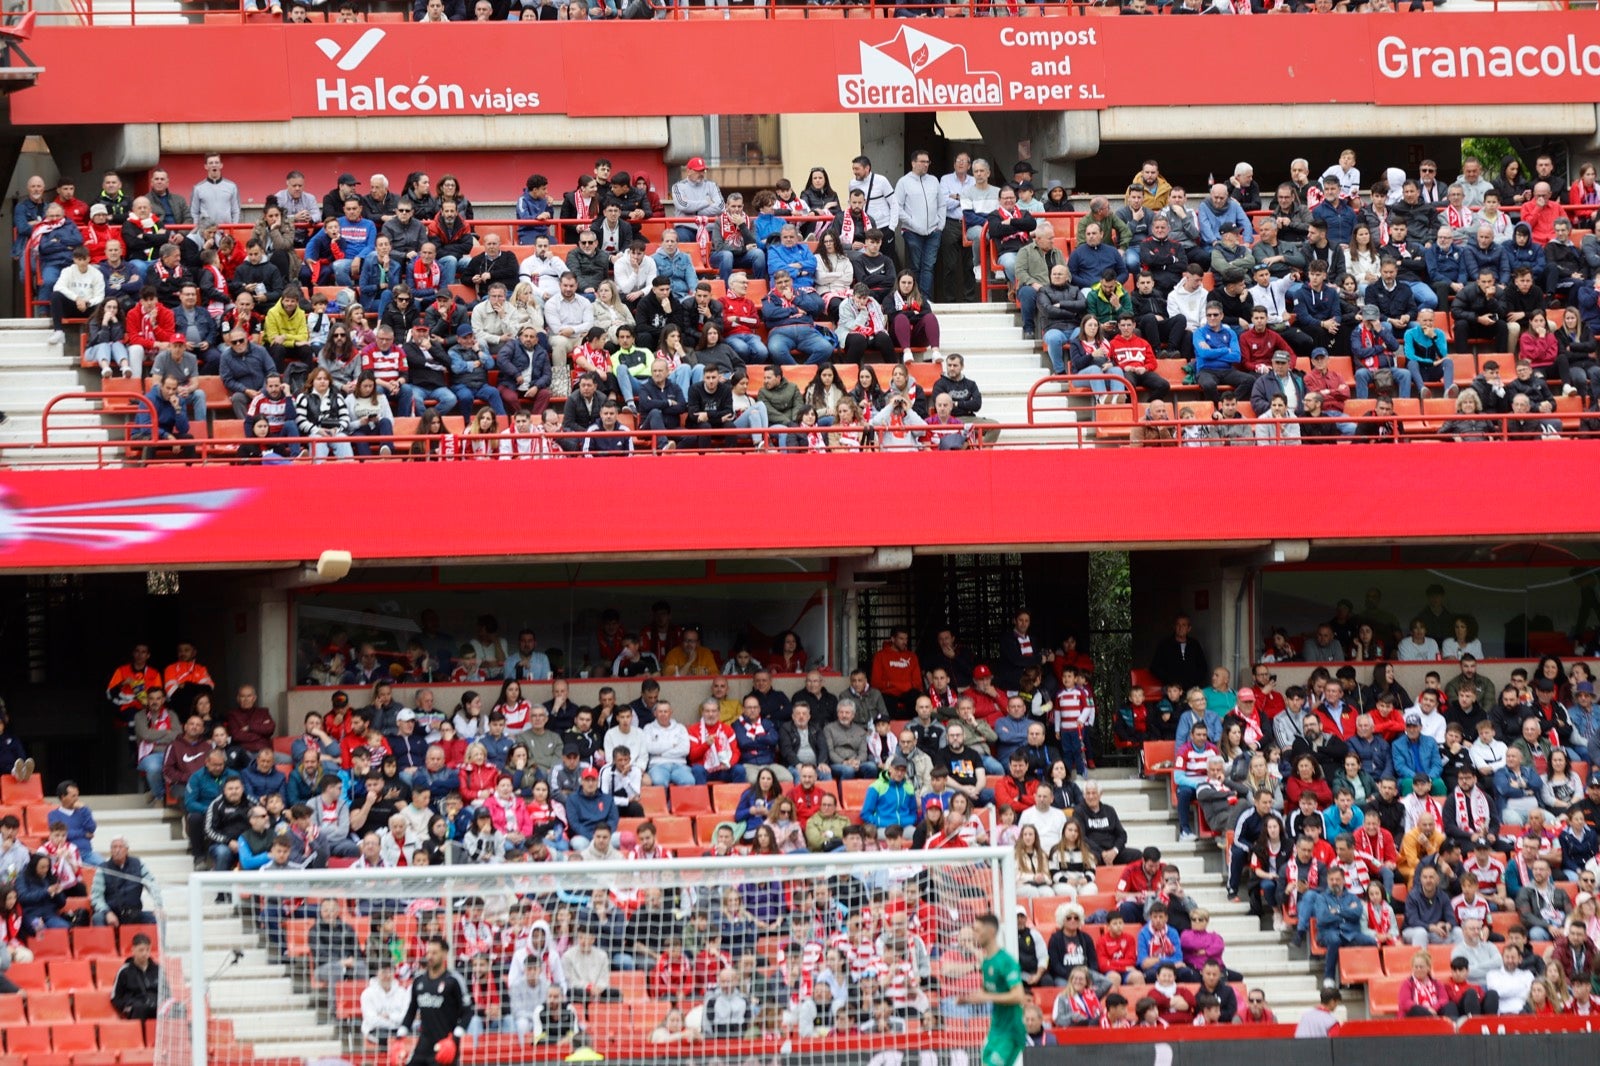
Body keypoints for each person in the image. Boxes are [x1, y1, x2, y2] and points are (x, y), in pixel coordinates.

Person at [962, 914, 1028, 1066]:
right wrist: (969, 998)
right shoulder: (986, 963)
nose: (974, 934)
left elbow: (1018, 996)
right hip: (996, 1028)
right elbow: (987, 993)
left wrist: (986, 997)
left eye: (977, 930)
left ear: (991, 932)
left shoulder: (1006, 961)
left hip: (1011, 1030)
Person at [396, 937, 472, 1066]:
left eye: (434, 953)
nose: (430, 956)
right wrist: (400, 1035)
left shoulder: (454, 980)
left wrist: (455, 1037)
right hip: (423, 1045)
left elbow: (467, 1012)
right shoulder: (419, 980)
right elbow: (411, 1010)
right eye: (428, 952)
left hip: (445, 1046)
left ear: (444, 954)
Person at [110, 933, 161, 1020]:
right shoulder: (124, 971)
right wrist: (126, 1007)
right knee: (141, 1008)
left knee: (178, 1009)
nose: (145, 953)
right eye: (141, 950)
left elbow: (166, 993)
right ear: (133, 950)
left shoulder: (158, 969)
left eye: (147, 950)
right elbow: (115, 997)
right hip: (136, 1007)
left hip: (156, 1005)